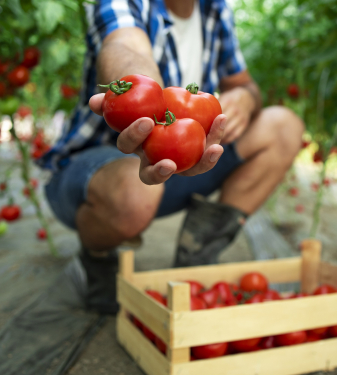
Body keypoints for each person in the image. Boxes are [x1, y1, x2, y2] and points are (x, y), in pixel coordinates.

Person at [37, 0, 304, 314]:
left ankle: (198, 252)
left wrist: (245, 97)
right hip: (97, 172)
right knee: (132, 193)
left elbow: (244, 83)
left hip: (182, 157)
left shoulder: (215, 9)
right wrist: (142, 100)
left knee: (284, 126)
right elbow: (125, 46)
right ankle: (97, 259)